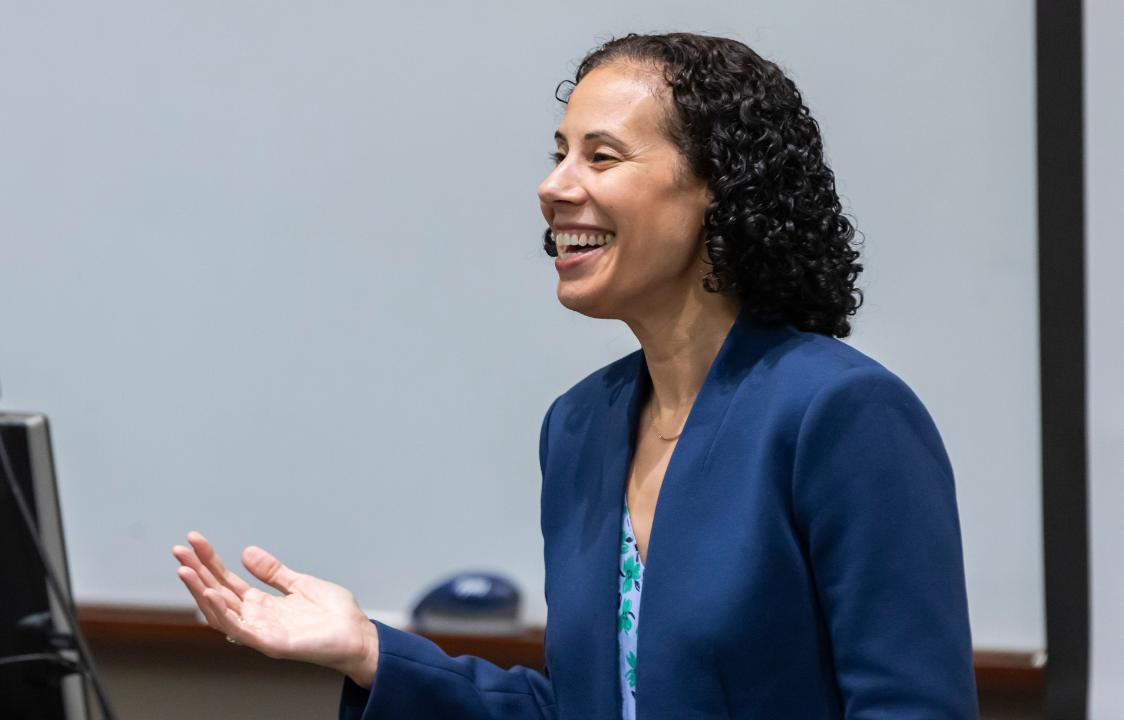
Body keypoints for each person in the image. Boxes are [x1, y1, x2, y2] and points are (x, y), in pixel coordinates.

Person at [173, 33, 978, 720]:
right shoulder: (579, 426)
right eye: (560, 154)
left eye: (602, 155)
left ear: (716, 193)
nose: (554, 186)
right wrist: (371, 653)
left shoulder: (841, 413)